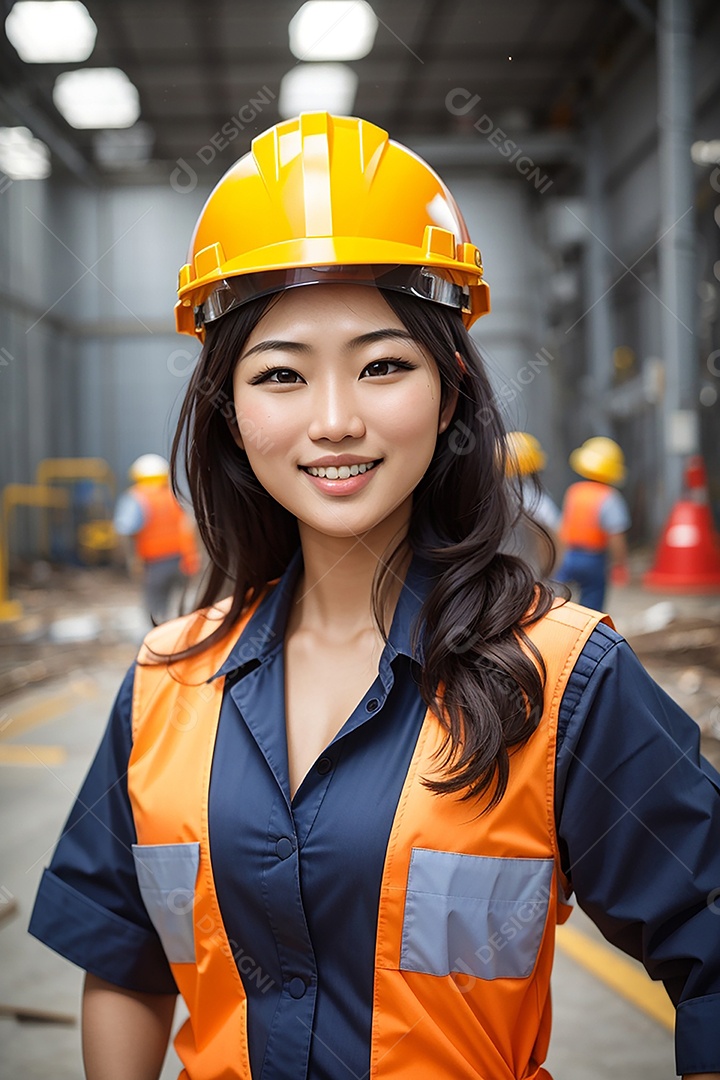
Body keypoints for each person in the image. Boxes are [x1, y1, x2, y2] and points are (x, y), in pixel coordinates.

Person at [28, 113, 720, 1080]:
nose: (337, 420)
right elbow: (128, 966)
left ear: (450, 390)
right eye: (281, 375)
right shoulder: (164, 688)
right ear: (230, 417)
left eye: (383, 363)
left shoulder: (564, 679)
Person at [113, 453, 201, 624]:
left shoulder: (135, 498)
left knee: (156, 612)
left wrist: (131, 561)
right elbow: (190, 525)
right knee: (181, 609)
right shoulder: (174, 496)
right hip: (182, 561)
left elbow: (125, 531)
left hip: (155, 564)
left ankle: (160, 646)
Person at [555, 436, 631, 609]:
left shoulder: (574, 492)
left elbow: (563, 527)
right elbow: (616, 536)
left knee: (556, 599)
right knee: (592, 604)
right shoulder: (610, 497)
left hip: (569, 555)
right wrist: (620, 565)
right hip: (593, 559)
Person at [504, 430, 562, 578]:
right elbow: (554, 537)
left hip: (497, 579)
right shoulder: (535, 499)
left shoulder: (488, 499)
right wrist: (551, 572)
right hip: (529, 578)